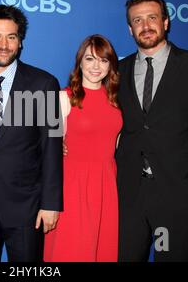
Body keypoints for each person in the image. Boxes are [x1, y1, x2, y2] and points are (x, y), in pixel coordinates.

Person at [116, 0, 188, 261]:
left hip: (178, 195)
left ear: (166, 22)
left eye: (152, 17)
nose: (146, 25)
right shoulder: (118, 71)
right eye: (137, 20)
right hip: (128, 195)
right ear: (130, 29)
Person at [0, 5, 63, 262]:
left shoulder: (44, 83)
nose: (3, 44)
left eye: (11, 37)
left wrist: (51, 203)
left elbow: (52, 147)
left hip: (26, 207)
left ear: (20, 42)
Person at [44, 34, 122, 262]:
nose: (96, 66)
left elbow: (114, 145)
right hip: (72, 188)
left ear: (111, 65)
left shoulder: (116, 101)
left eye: (103, 60)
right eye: (89, 59)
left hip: (106, 186)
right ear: (79, 62)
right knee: (71, 251)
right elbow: (45, 149)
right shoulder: (62, 98)